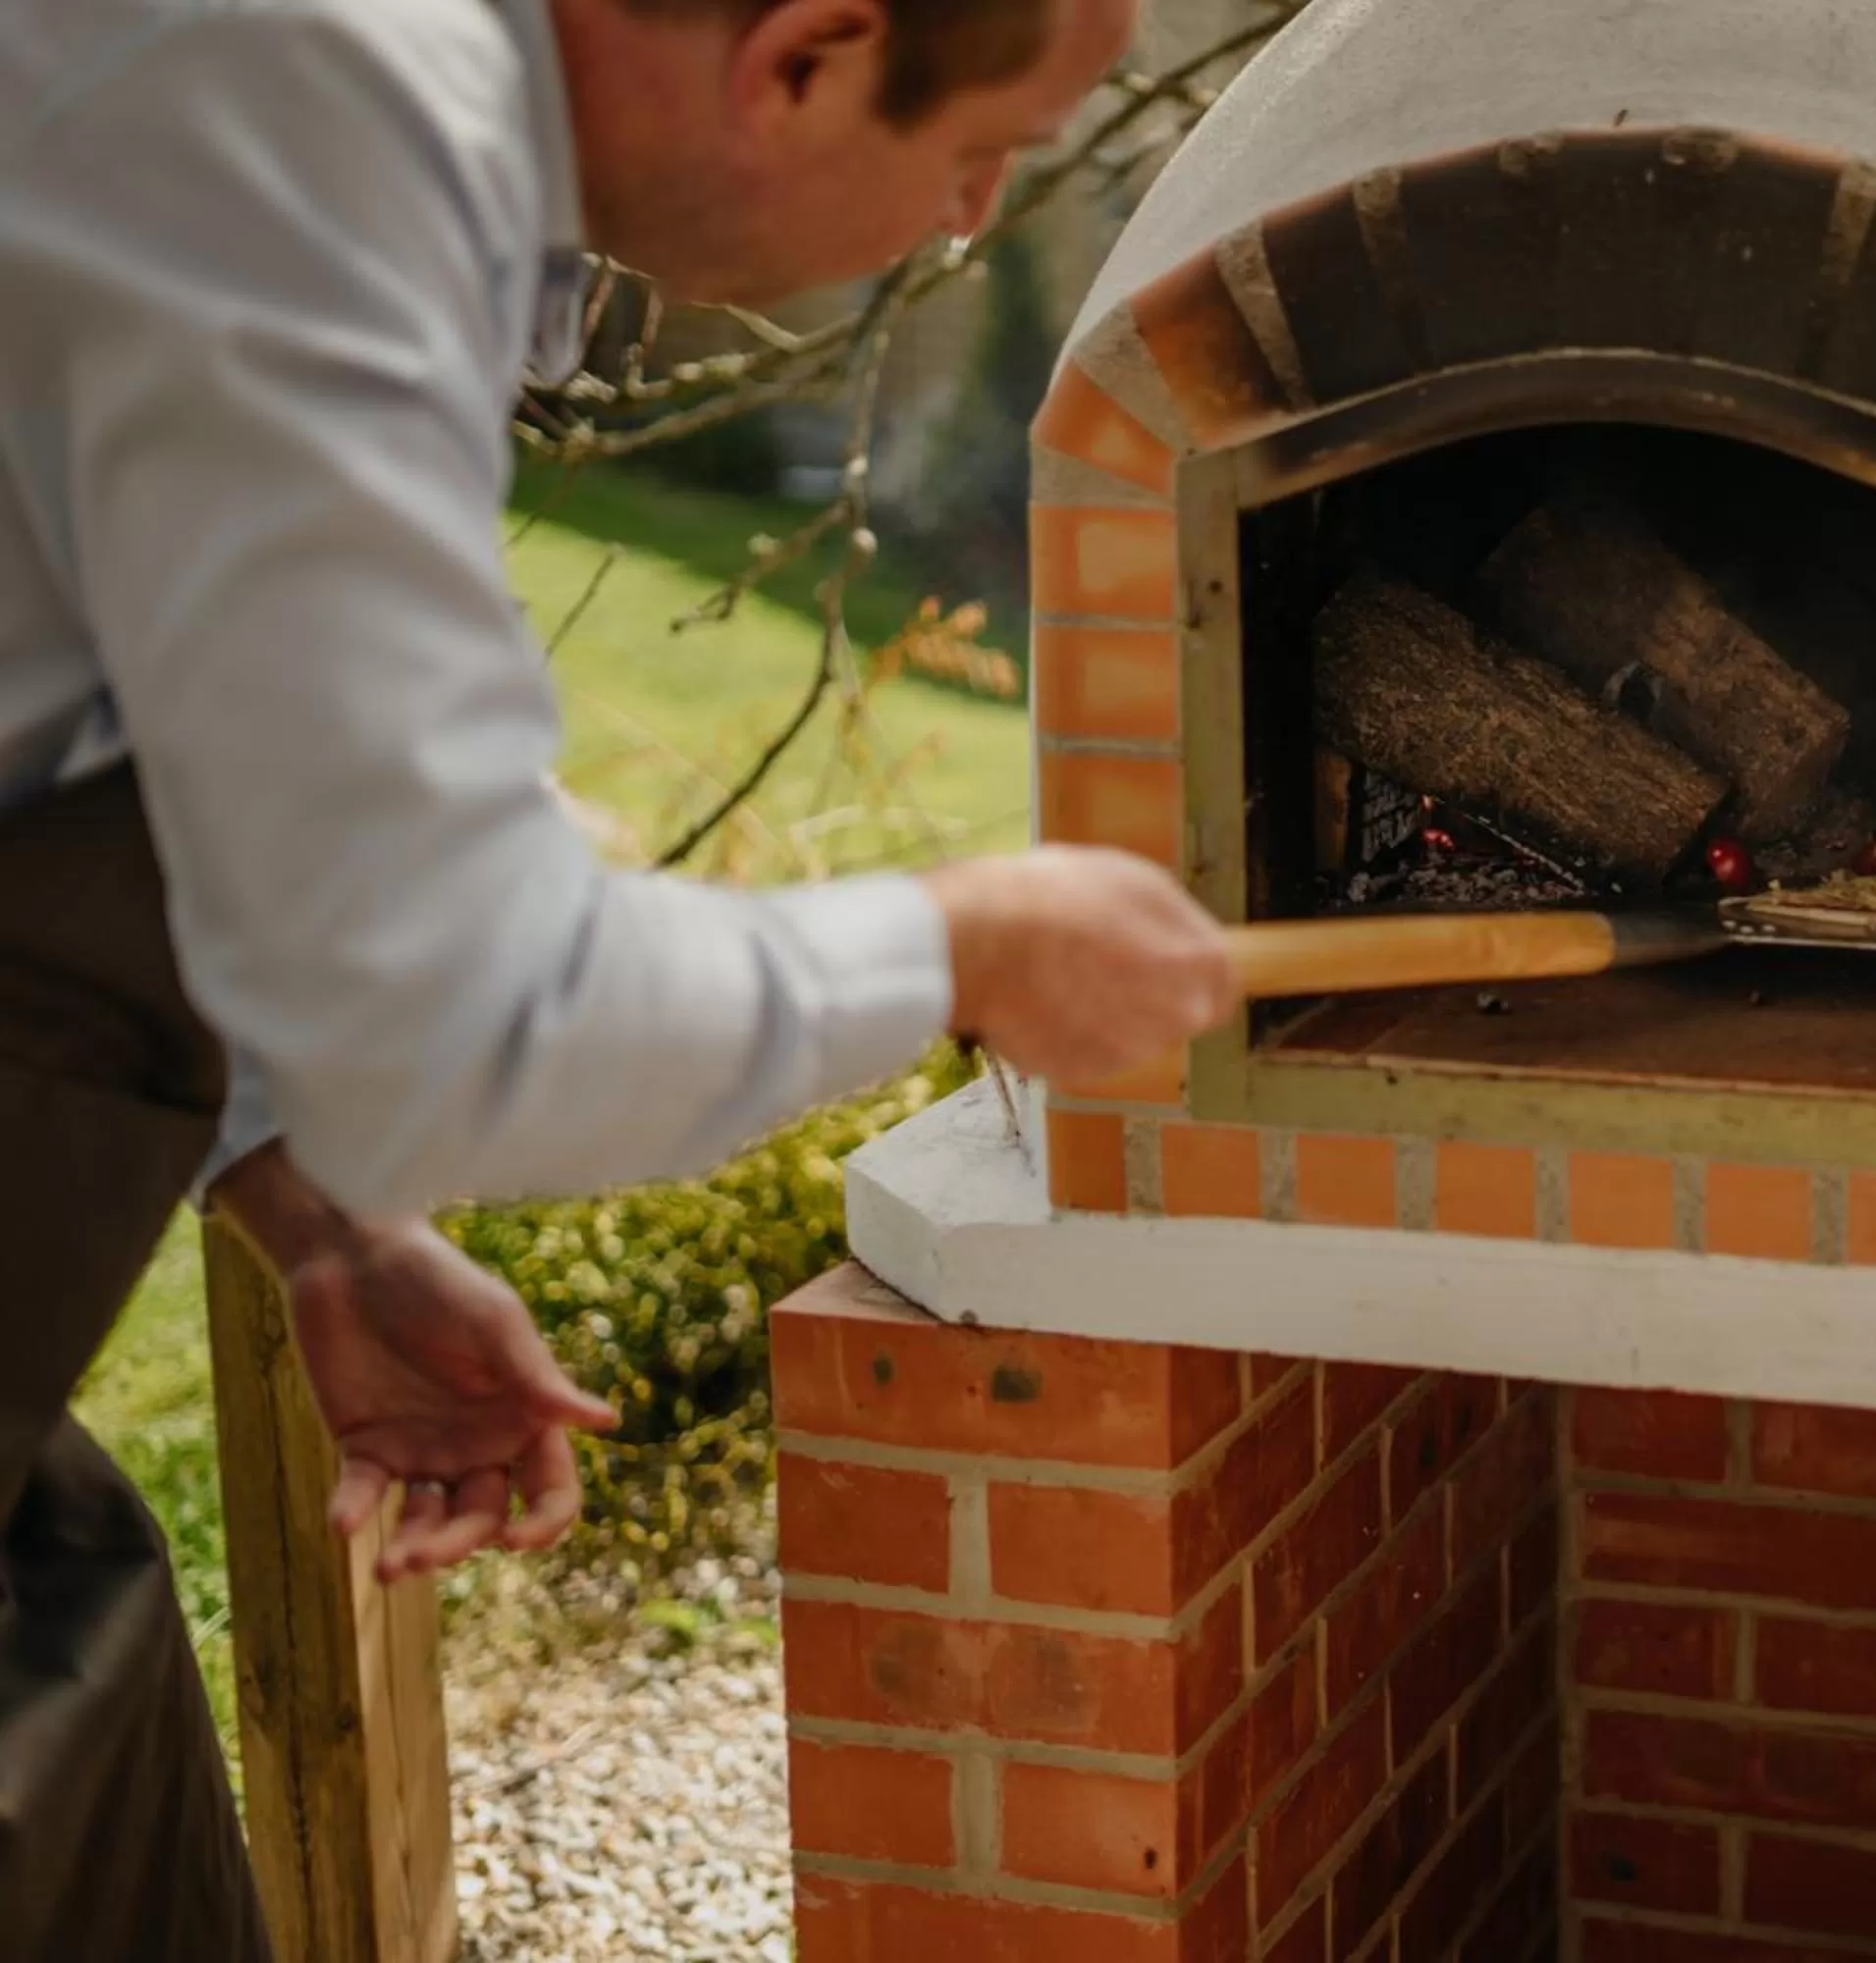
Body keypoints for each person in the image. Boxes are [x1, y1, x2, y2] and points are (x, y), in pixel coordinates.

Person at [0, 0, 1231, 1951]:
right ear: (808, 54)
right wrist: (965, 942)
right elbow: (468, 1021)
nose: (975, 219)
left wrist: (311, 1212)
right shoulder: (311, 126)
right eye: (986, 145)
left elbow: (172, 748)